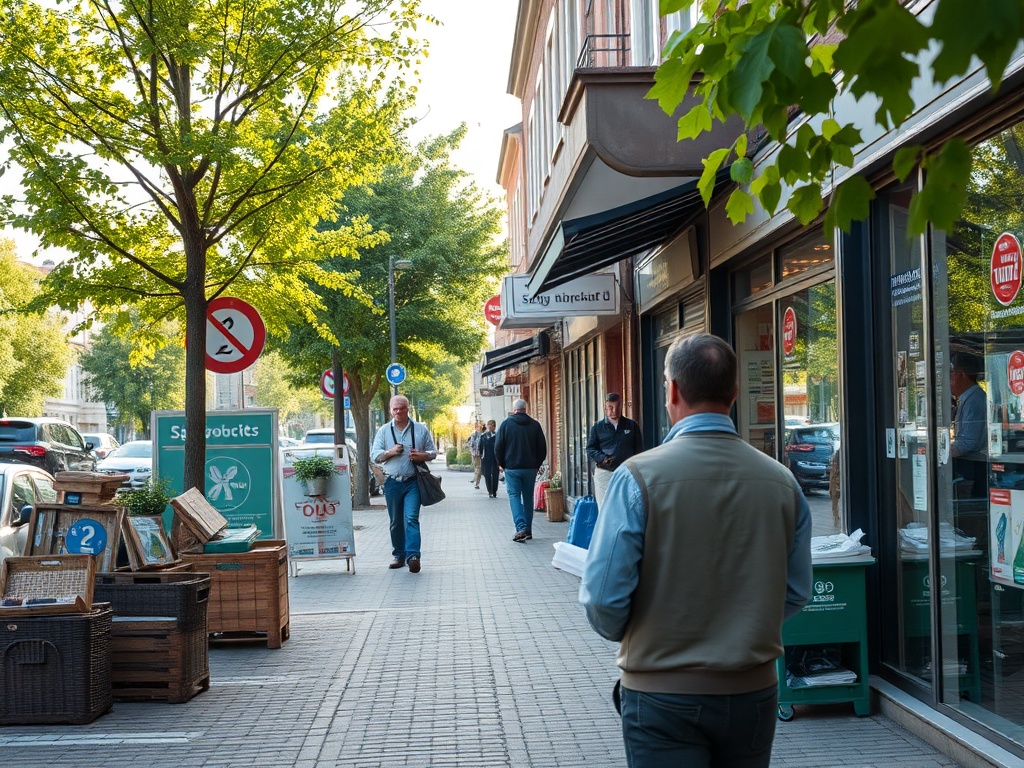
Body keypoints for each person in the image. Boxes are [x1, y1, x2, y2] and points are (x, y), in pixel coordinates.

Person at [580, 334, 812, 768]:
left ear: (672, 391)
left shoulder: (637, 478)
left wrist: (643, 638)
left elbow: (602, 598)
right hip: (753, 691)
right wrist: (744, 627)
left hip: (661, 694)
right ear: (735, 392)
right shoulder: (782, 482)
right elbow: (796, 591)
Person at [371, 395, 437, 573]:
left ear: (408, 409)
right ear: (390, 411)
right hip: (392, 482)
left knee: (411, 518)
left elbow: (433, 452)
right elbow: (374, 455)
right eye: (395, 409)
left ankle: (413, 556)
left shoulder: (420, 430)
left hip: (413, 481)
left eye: (402, 408)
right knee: (395, 521)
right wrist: (390, 452)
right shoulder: (384, 431)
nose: (398, 411)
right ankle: (399, 555)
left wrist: (423, 455)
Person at [495, 399, 547, 542]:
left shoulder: (506, 424)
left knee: (514, 496)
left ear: (514, 409)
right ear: (526, 408)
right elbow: (542, 448)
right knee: (528, 498)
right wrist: (537, 464)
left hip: (512, 468)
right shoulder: (535, 425)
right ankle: (528, 531)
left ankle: (521, 527)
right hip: (530, 468)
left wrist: (502, 464)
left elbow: (498, 447)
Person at [586, 392, 644, 506]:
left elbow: (639, 450)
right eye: (610, 407)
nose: (614, 410)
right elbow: (590, 448)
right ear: (605, 407)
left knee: (626, 507)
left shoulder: (632, 425)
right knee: (605, 508)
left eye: (617, 407)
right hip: (604, 472)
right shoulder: (597, 427)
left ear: (621, 406)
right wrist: (603, 458)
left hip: (627, 472)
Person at [950, 350, 987, 498]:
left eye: (951, 376)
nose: (950, 382)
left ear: (961, 375)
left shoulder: (974, 400)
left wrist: (941, 452)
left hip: (975, 468)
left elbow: (968, 442)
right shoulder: (969, 398)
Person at [480, 419, 500, 498]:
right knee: (487, 475)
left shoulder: (498, 436)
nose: (490, 426)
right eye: (489, 425)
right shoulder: (484, 436)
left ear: (494, 427)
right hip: (486, 458)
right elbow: (480, 447)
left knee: (495, 475)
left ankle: (494, 491)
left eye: (491, 425)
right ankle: (490, 491)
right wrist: (481, 455)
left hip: (495, 459)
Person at [467, 422, 485, 489]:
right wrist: (474, 453)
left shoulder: (483, 435)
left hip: (479, 454)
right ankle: (476, 481)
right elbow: (471, 445)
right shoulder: (475, 435)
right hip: (476, 454)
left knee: (478, 468)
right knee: (477, 468)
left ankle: (476, 482)